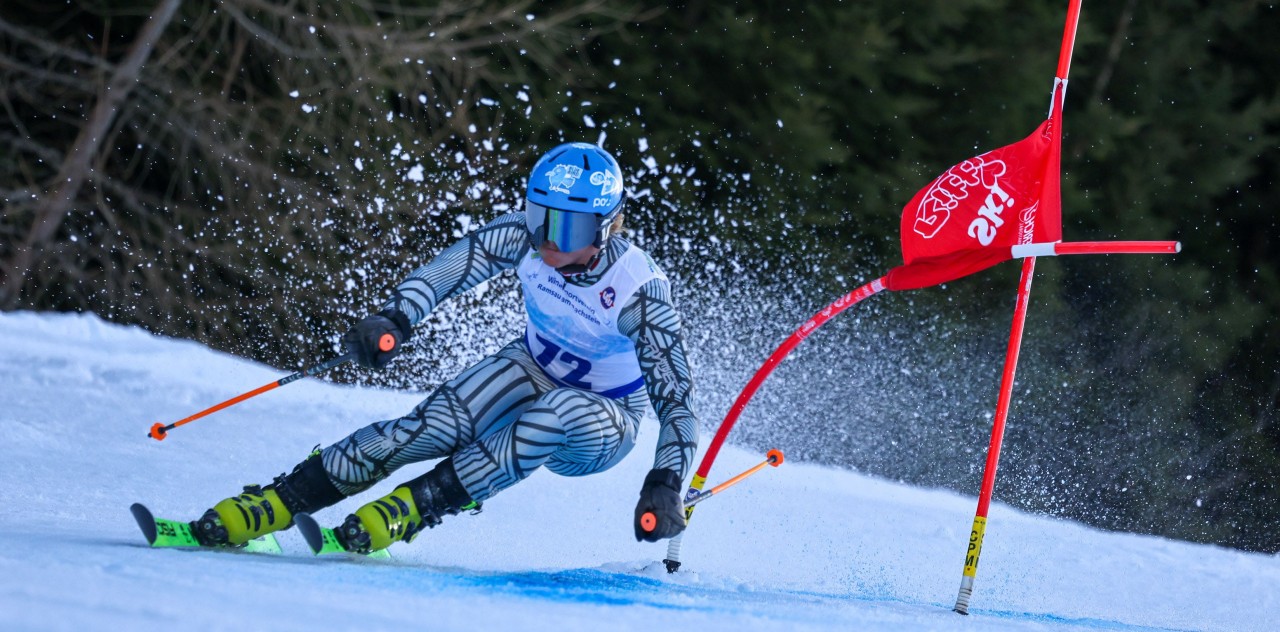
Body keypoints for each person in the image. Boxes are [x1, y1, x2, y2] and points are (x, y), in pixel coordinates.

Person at [190, 142, 700, 554]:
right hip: (530, 367)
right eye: (538, 215)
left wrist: (665, 479)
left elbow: (676, 401)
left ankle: (417, 505)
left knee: (552, 415)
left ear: (606, 228)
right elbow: (447, 272)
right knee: (422, 430)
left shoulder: (637, 290)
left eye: (565, 227)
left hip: (605, 421)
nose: (546, 238)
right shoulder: (524, 238)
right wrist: (395, 317)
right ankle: (278, 500)